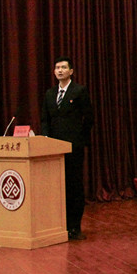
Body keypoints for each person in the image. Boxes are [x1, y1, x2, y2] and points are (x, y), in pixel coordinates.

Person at [40, 56, 94, 241]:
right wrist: (46, 138)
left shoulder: (79, 91)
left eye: (63, 67)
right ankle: (58, 225)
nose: (60, 70)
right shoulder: (50, 93)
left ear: (71, 71)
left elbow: (89, 118)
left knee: (73, 186)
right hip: (53, 148)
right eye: (57, 68)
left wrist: (80, 138)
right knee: (56, 186)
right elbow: (45, 119)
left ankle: (74, 227)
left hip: (73, 147)